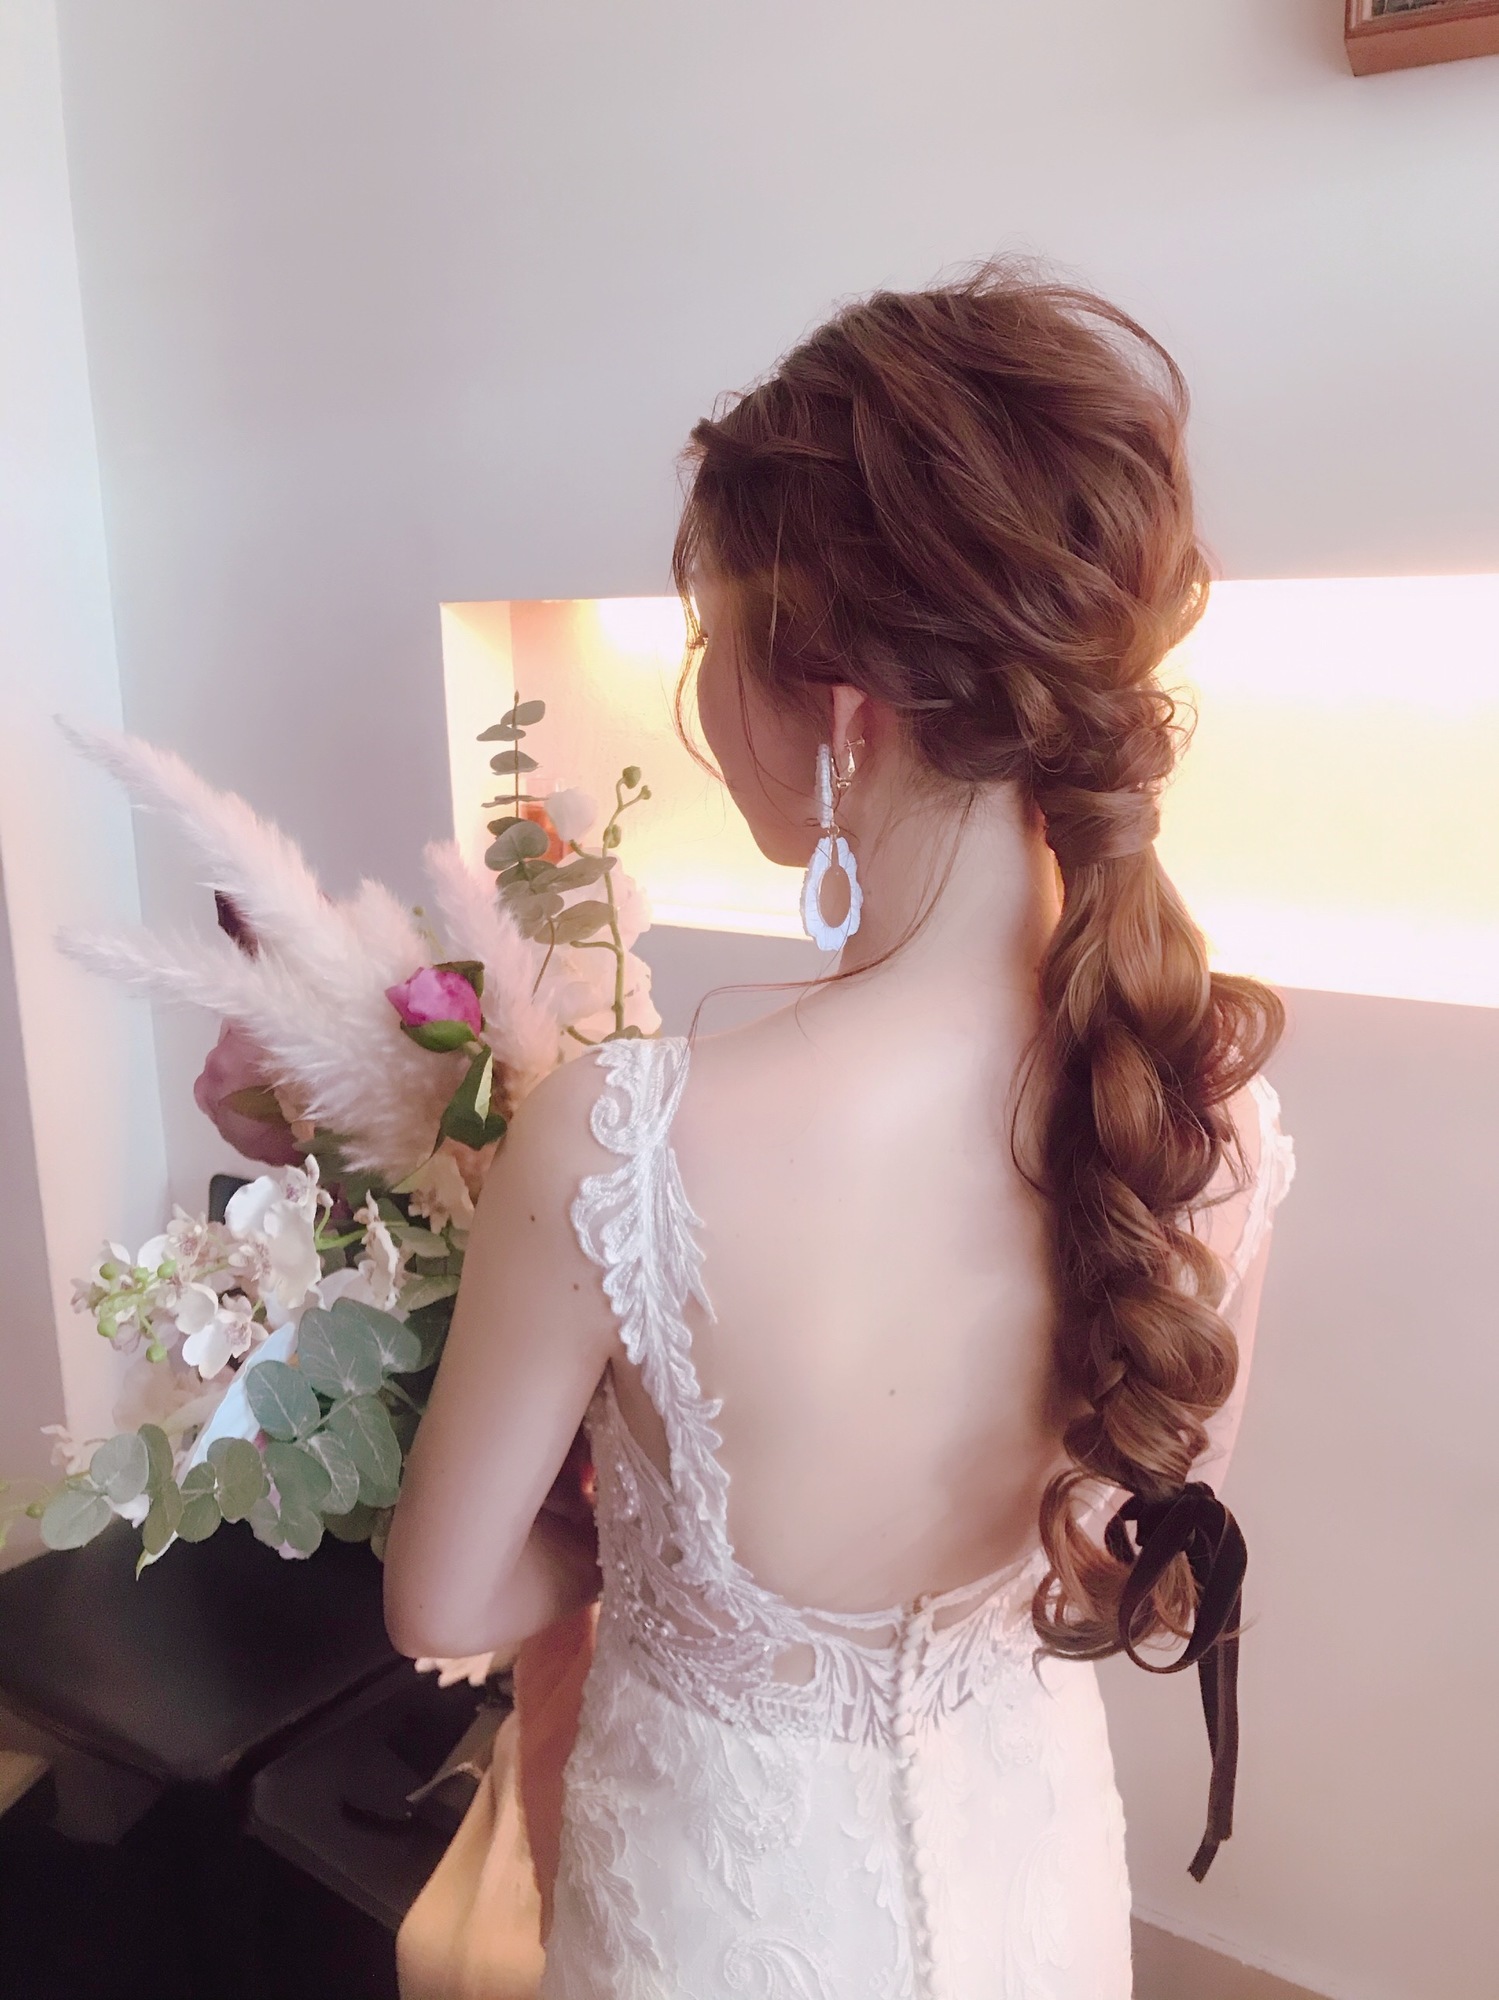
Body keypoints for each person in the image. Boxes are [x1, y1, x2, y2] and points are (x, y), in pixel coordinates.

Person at [384, 264, 1297, 2000]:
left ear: (845, 713)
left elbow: (442, 1603)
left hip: (713, 1929)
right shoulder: (1210, 1110)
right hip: (1031, 1890)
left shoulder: (624, 1141)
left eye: (708, 639)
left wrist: (642, 1537)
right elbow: (1123, 1566)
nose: (700, 690)